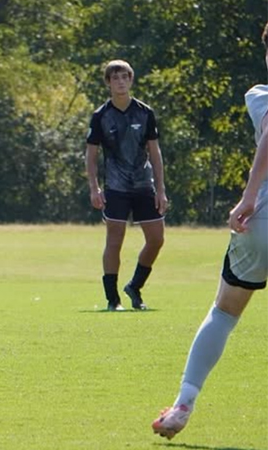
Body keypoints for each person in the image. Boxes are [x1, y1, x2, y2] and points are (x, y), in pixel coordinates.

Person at [152, 23, 268, 440]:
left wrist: (249, 195)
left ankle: (183, 403)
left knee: (223, 312)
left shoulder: (259, 97)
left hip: (261, 224)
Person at [85, 60, 169, 311]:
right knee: (115, 240)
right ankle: (113, 299)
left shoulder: (145, 112)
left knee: (156, 239)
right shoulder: (101, 116)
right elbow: (91, 154)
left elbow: (155, 153)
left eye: (125, 77)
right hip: (116, 186)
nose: (121, 81)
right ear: (108, 83)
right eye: (115, 78)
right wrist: (94, 187)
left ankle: (135, 286)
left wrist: (161, 189)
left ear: (131, 80)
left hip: (144, 185)